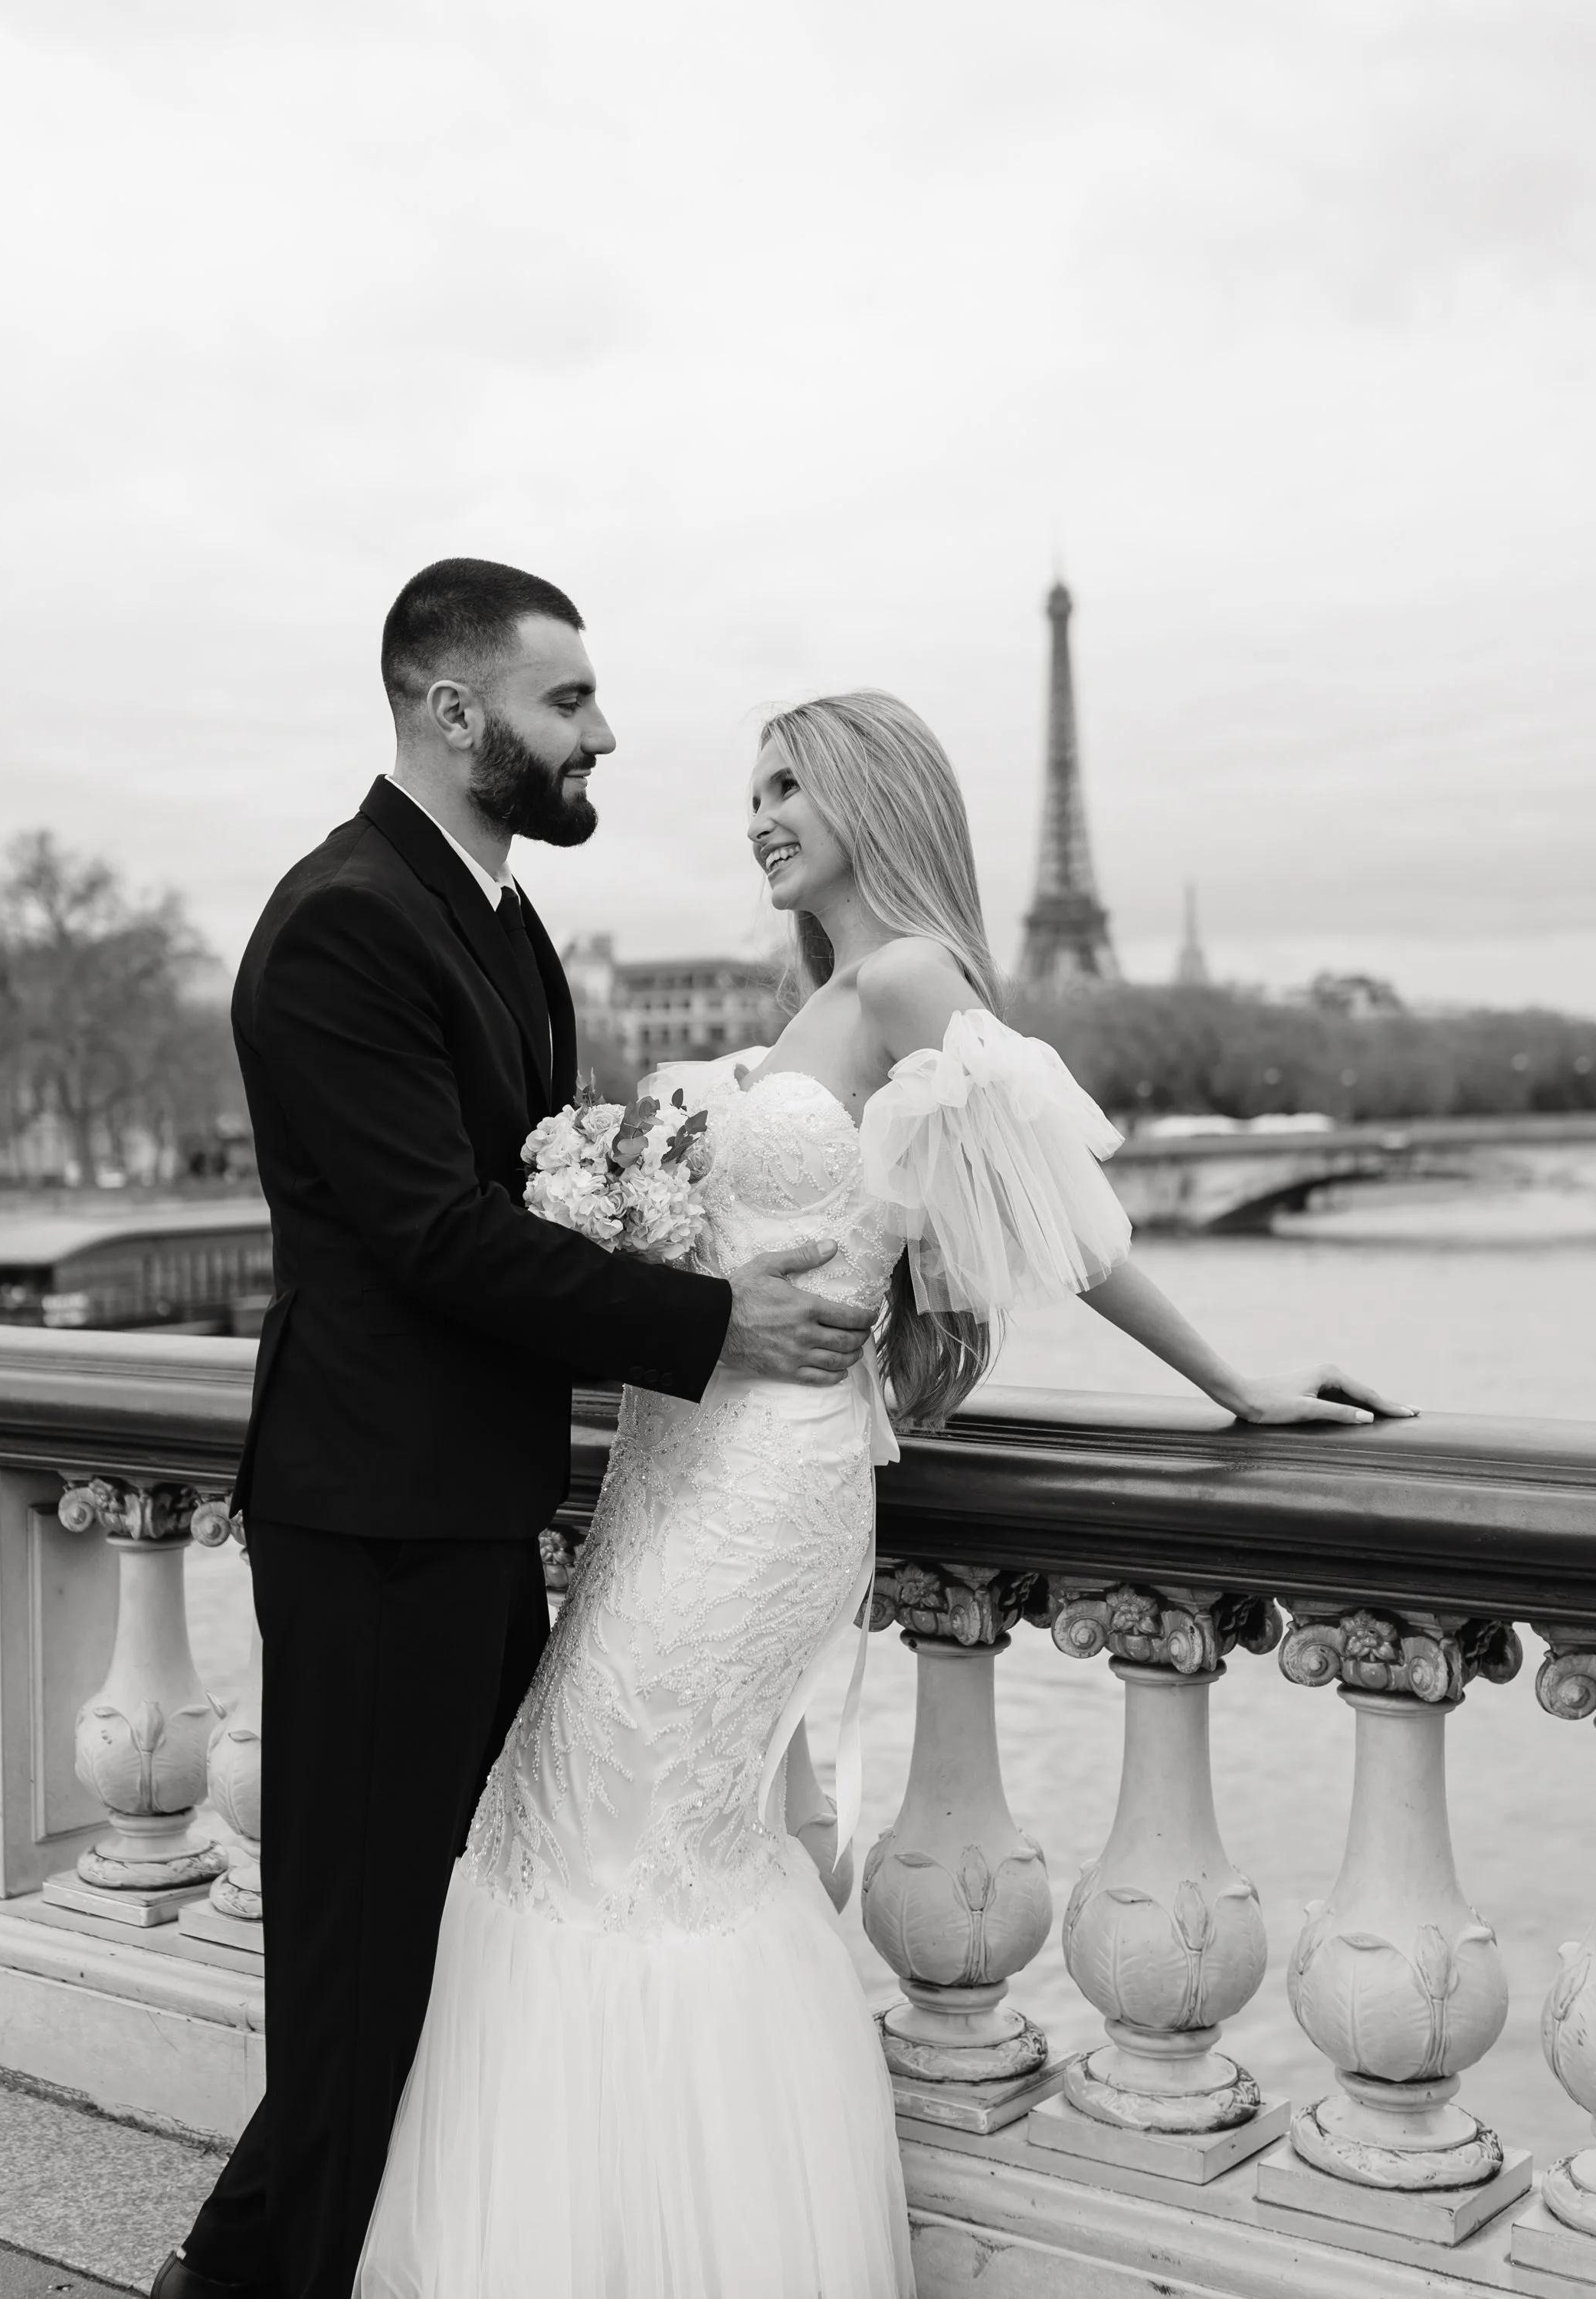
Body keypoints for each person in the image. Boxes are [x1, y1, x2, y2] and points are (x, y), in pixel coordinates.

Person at [356, 688, 1411, 2297]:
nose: (761, 814)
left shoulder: (913, 978)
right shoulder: (823, 1002)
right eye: (751, 791)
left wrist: (1236, 1387)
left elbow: (1070, 1220)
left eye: (788, 785)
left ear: (870, 794)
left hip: (766, 1484)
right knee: (570, 1826)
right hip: (670, 1469)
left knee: (648, 1845)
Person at [155, 566, 877, 2299]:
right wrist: (722, 1324)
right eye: (569, 702)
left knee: (462, 1959)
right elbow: (435, 1233)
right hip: (378, 1517)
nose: (603, 732)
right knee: (363, 1970)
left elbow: (543, 1197)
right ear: (452, 711)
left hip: (472, 1512)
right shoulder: (343, 918)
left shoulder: (496, 918)